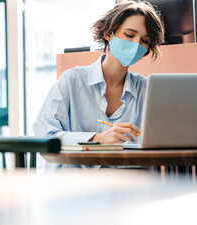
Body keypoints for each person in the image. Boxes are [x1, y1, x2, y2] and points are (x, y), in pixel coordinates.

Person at [33, 0, 165, 170]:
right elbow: (44, 134)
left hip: (130, 186)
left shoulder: (148, 90)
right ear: (109, 34)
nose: (136, 45)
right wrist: (97, 139)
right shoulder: (72, 81)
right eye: (130, 35)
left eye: (144, 41)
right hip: (75, 186)